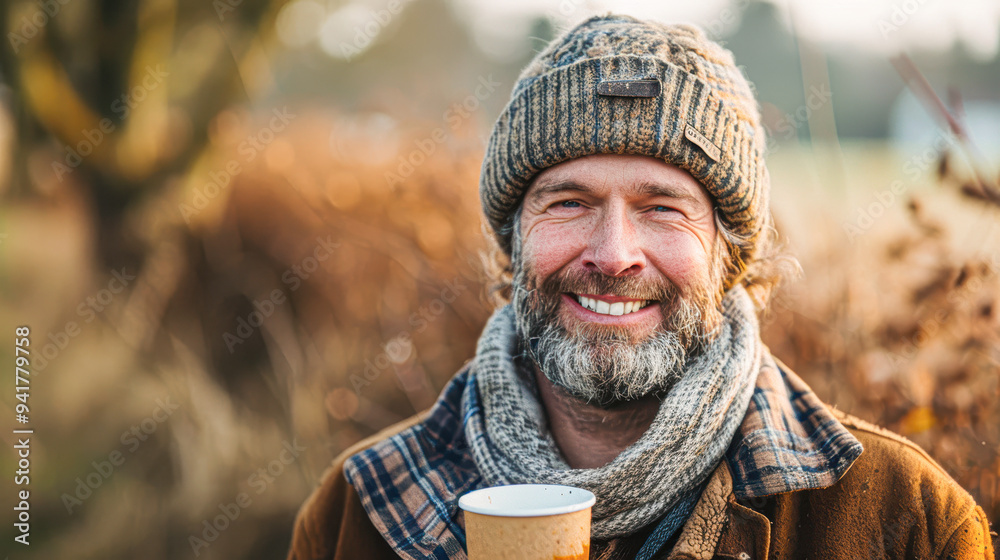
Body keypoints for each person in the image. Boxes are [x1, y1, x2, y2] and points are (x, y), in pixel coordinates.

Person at [286, 14, 996, 560]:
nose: (613, 254)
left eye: (662, 207)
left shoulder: (907, 521)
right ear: (512, 240)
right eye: (569, 202)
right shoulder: (358, 513)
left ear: (731, 254)